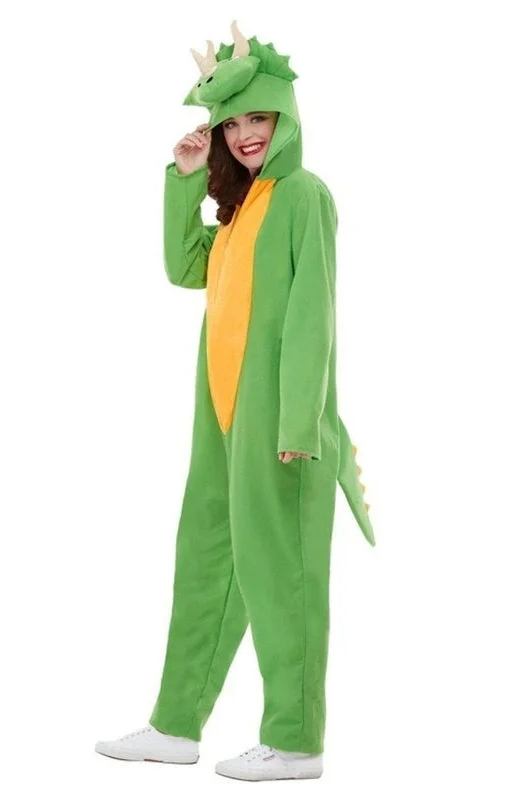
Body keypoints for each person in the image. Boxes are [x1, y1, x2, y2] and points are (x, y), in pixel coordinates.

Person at [95, 20, 376, 782]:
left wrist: (297, 422)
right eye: (231, 123)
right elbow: (185, 269)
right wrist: (186, 178)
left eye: (259, 117)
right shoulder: (242, 207)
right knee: (204, 562)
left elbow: (313, 315)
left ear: (285, 115)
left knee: (282, 575)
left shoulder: (302, 196)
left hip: (282, 426)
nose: (246, 133)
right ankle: (174, 725)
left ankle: (295, 739)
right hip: (222, 421)